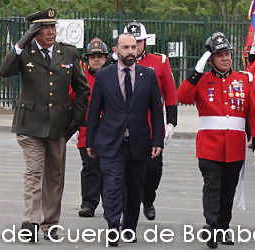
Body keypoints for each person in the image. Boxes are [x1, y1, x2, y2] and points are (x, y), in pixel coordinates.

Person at [0, 8, 90, 242]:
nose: (51, 32)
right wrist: (21, 42)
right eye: (45, 28)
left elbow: (82, 89)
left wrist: (75, 121)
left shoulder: (67, 53)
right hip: (30, 125)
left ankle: (50, 223)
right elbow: (5, 71)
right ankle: (30, 221)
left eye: (53, 27)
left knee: (54, 176)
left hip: (59, 126)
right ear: (35, 31)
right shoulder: (25, 52)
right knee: (34, 172)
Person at [177, 32, 255, 249]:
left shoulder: (243, 79)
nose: (225, 58)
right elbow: (182, 97)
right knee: (212, 186)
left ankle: (224, 227)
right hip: (209, 146)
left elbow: (254, 112)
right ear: (211, 59)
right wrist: (195, 73)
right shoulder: (202, 80)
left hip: (234, 147)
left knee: (228, 189)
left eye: (228, 54)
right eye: (220, 55)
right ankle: (212, 226)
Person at [84, 33, 164, 247]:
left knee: (134, 187)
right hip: (111, 142)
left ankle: (129, 228)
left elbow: (156, 111)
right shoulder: (104, 76)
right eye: (126, 47)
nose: (131, 51)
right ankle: (112, 227)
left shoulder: (148, 76)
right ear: (116, 50)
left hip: (138, 142)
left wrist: (158, 140)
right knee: (112, 184)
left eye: (134, 47)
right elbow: (94, 111)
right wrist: (90, 141)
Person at [120, 21, 179, 222]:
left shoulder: (160, 62)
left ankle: (148, 199)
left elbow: (170, 94)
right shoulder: (116, 62)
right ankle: (128, 211)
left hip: (152, 127)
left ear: (145, 42)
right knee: (126, 173)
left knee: (153, 171)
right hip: (126, 128)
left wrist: (171, 123)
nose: (134, 46)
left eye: (139, 42)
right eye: (131, 42)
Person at [76, 38, 110, 218]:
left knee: (108, 169)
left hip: (109, 131)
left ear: (106, 58)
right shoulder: (80, 78)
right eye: (92, 57)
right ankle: (88, 203)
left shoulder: (113, 76)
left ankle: (110, 204)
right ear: (87, 59)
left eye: (100, 56)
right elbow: (71, 100)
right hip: (86, 131)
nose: (96, 60)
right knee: (90, 168)